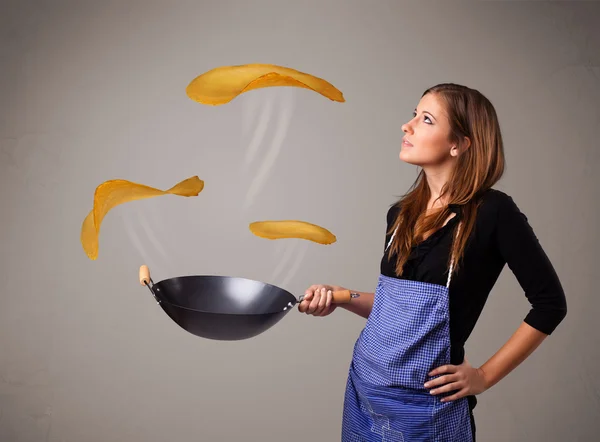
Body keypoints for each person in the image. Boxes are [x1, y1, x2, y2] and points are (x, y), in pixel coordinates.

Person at [298, 83, 567, 441]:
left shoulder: (493, 213)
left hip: (427, 408)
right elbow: (401, 313)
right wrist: (342, 296)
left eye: (425, 119)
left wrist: (484, 376)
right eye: (413, 115)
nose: (406, 126)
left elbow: (550, 304)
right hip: (366, 393)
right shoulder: (400, 215)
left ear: (459, 144)